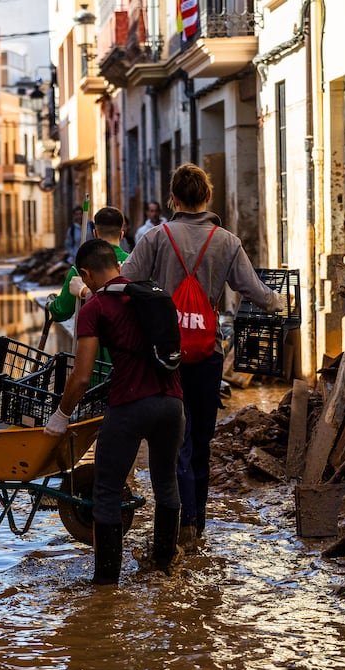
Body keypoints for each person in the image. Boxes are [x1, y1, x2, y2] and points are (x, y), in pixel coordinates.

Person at [122, 164, 284, 546]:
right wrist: (279, 302)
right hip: (208, 354)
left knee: (176, 441)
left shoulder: (156, 238)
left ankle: (181, 524)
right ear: (208, 197)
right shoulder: (226, 241)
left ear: (173, 199)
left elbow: (125, 282)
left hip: (164, 357)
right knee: (202, 443)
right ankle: (198, 525)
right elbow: (255, 292)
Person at [44, 239, 186, 584]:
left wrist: (60, 416)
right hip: (172, 404)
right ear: (119, 266)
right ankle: (164, 565)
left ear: (87, 274)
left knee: (106, 490)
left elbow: (80, 377)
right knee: (166, 482)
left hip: (130, 405)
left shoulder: (96, 307)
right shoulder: (152, 294)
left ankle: (106, 585)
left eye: (86, 280)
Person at [48, 206, 128, 323]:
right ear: (122, 235)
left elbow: (61, 312)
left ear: (95, 234)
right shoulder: (135, 263)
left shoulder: (82, 268)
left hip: (93, 337)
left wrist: (50, 304)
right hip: (130, 337)